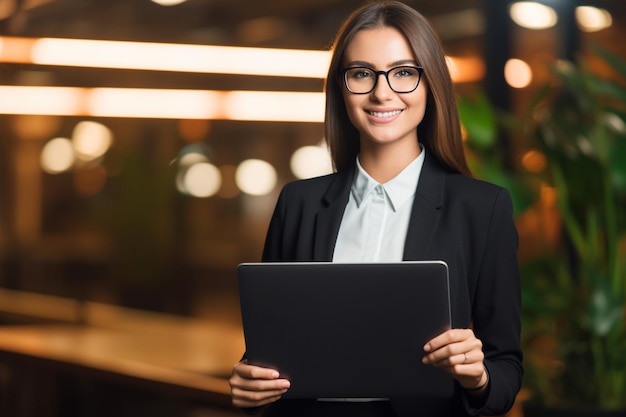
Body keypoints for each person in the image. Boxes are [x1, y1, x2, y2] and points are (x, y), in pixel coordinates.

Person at [229, 1, 523, 416]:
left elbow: (506, 370)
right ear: (341, 88)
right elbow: (270, 355)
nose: (382, 91)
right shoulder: (299, 204)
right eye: (362, 73)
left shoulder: (482, 209)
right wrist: (250, 385)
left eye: (404, 72)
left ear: (431, 84)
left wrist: (479, 375)